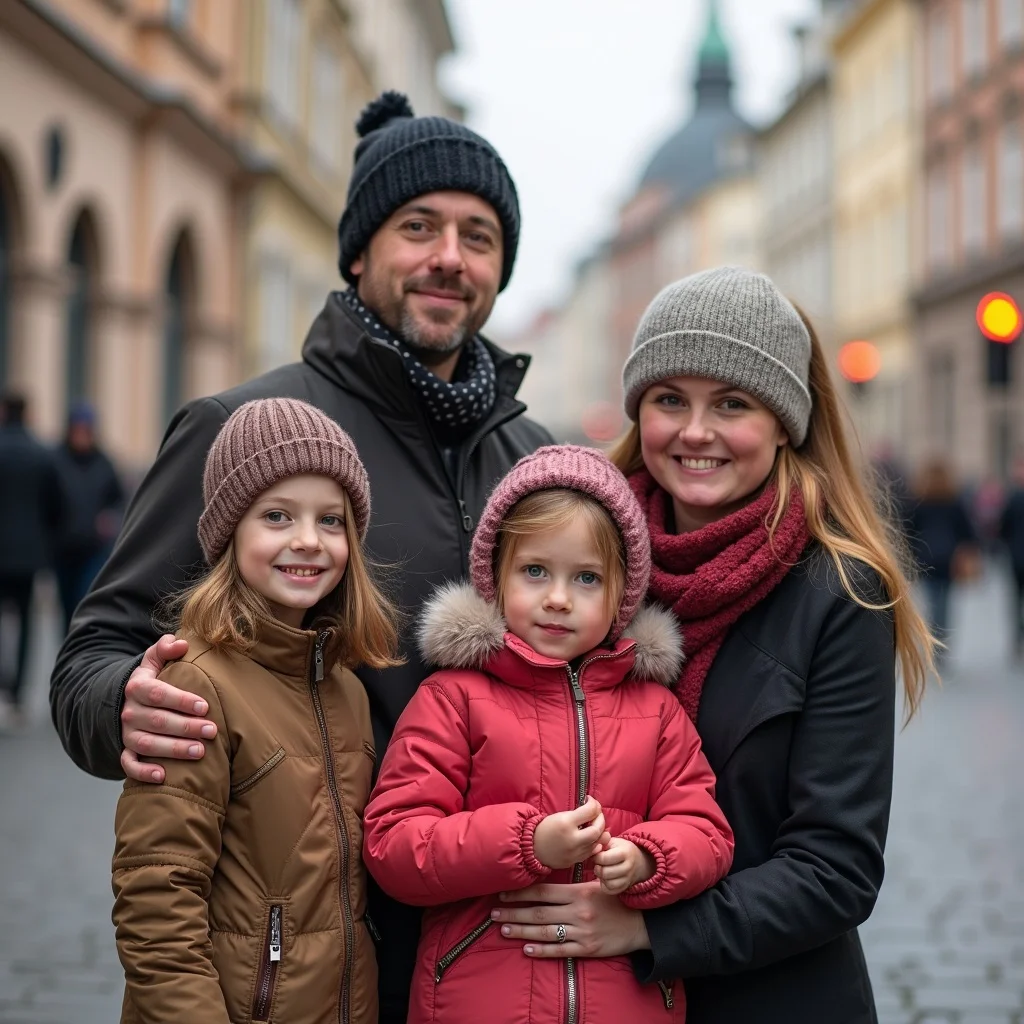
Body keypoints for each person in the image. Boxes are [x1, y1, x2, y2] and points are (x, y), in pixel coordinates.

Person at [50, 89, 549, 1022]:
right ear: (360, 249)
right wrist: (122, 703)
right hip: (302, 963)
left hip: (489, 956)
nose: (450, 256)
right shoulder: (243, 430)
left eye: (479, 236)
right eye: (420, 226)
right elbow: (93, 652)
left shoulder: (532, 461)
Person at [487, 267, 936, 1024]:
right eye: (670, 400)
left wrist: (652, 927)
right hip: (595, 1001)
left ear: (784, 420)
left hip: (772, 998)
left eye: (732, 403)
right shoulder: (583, 565)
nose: (695, 432)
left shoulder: (842, 593)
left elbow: (837, 868)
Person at [364, 445, 734, 1023]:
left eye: (586, 578)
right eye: (535, 571)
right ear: (496, 576)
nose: (557, 599)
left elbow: (707, 834)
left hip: (626, 1000)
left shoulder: (657, 711)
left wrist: (648, 858)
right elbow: (395, 844)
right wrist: (526, 845)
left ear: (620, 596)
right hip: (479, 998)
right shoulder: (453, 699)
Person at [112, 398, 400, 1022]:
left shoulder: (345, 686)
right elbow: (157, 899)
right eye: (276, 516)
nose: (308, 540)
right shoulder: (197, 686)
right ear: (230, 531)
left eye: (331, 520)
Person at [0, 393, 62, 724]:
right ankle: (17, 694)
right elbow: (55, 504)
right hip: (28, 554)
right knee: (24, 622)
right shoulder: (41, 454)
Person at [52, 402, 125, 632]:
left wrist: (109, 518)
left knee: (83, 601)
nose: (81, 436)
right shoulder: (56, 461)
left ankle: (78, 645)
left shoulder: (104, 463)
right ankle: (65, 649)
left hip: (93, 548)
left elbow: (118, 500)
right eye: (78, 430)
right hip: (63, 547)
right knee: (65, 605)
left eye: (86, 430)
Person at [907, 459, 977, 645]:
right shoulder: (954, 502)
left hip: (925, 556)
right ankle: (942, 637)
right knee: (945, 600)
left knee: (931, 599)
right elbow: (967, 531)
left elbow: (908, 530)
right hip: (949, 558)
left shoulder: (919, 501)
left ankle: (933, 635)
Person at [999, 454, 1024, 658]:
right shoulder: (1013, 496)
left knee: (1016, 600)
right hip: (1016, 558)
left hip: (1017, 557)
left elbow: (1003, 528)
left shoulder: (1014, 497)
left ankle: (1018, 638)